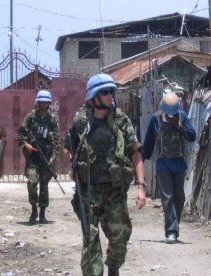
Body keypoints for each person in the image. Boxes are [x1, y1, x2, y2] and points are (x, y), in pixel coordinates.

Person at [65, 73, 146, 276]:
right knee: (90, 240)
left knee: (120, 237)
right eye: (104, 92)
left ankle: (114, 268)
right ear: (94, 96)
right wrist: (72, 165)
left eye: (111, 91)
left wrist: (141, 186)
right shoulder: (81, 121)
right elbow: (68, 147)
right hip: (89, 192)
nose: (109, 95)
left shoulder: (121, 120)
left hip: (115, 193)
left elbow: (135, 153)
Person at [142, 91, 196, 244]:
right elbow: (148, 143)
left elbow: (192, 136)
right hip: (163, 164)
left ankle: (175, 225)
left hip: (179, 164)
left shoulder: (182, 117)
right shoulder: (155, 119)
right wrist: (139, 161)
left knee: (179, 198)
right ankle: (171, 231)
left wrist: (180, 127)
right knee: (168, 198)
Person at [17, 90, 60, 225]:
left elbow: (57, 141)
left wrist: (53, 157)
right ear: (38, 102)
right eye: (41, 101)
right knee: (32, 184)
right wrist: (26, 145)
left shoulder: (52, 120)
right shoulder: (30, 117)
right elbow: (20, 134)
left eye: (46, 102)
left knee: (44, 187)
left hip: (46, 159)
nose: (44, 104)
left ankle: (42, 214)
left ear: (49, 103)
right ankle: (34, 210)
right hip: (33, 159)